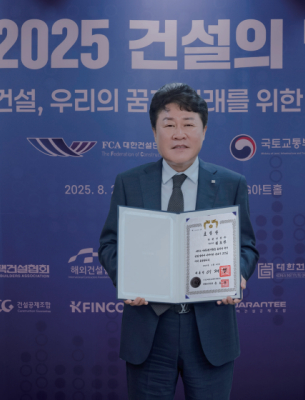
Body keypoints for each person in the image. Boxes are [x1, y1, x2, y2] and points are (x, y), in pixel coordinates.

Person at [98, 82, 259, 399]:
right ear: (154, 132)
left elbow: (246, 247)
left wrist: (237, 275)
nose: (179, 134)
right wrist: (128, 279)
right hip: (149, 330)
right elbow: (109, 244)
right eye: (168, 125)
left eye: (188, 124)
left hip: (209, 328)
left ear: (204, 130)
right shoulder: (130, 182)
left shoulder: (231, 183)